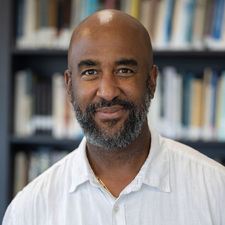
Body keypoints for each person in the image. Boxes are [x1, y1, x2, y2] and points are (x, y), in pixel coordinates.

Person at [3, 9, 225, 225]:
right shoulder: (28, 210)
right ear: (70, 87)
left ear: (152, 81)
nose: (107, 92)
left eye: (124, 70)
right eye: (90, 72)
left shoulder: (216, 190)